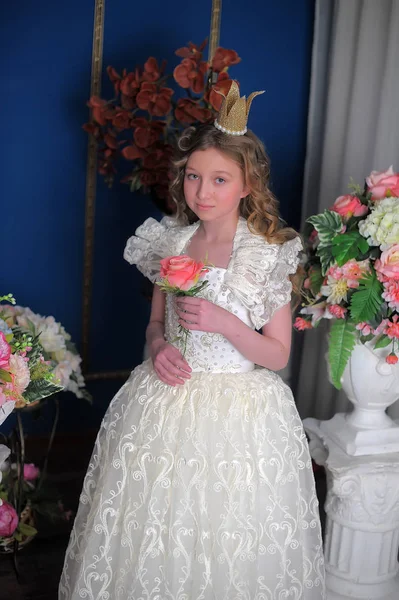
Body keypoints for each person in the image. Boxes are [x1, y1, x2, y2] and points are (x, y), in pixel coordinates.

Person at [59, 81, 325, 599]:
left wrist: (227, 322)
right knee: (156, 522)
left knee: (226, 527)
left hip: (239, 413)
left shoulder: (267, 253)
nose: (202, 192)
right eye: (194, 177)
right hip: (166, 401)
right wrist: (158, 347)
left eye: (219, 180)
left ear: (247, 185)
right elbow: (156, 323)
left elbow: (276, 353)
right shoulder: (173, 241)